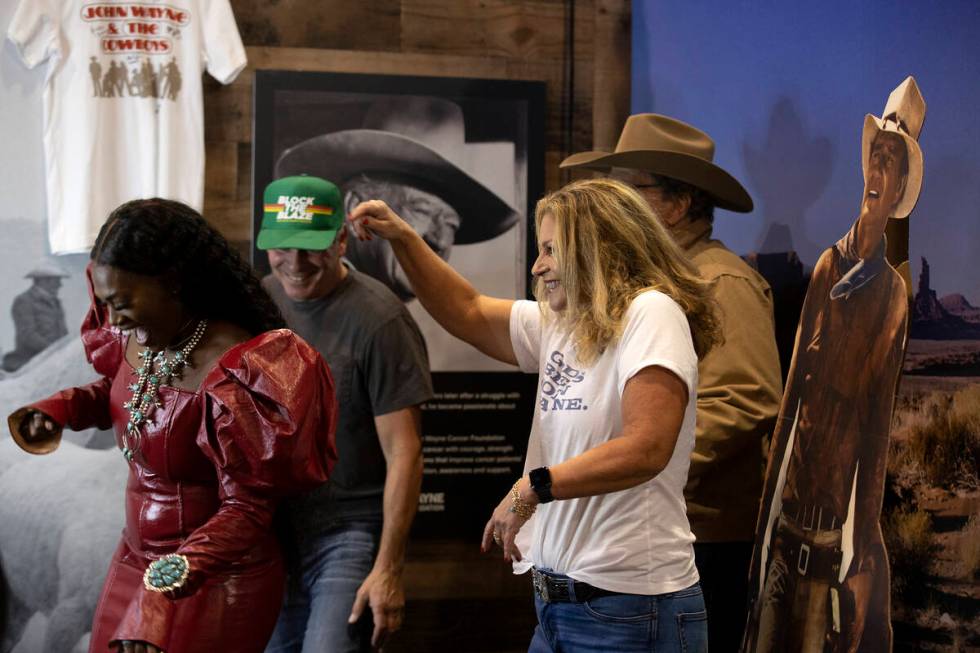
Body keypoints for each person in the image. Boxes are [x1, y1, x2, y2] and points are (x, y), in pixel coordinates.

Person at [349, 178, 720, 652]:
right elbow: (466, 310)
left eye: (550, 249)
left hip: (629, 609)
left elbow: (646, 448)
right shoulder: (563, 324)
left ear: (595, 248)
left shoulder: (651, 312)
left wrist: (532, 487)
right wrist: (404, 238)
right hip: (557, 604)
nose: (537, 266)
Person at [6, 198, 338, 653]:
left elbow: (247, 509)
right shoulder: (143, 335)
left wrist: (163, 591)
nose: (113, 320)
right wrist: (62, 408)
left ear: (175, 284)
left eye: (122, 304)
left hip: (215, 578)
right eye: (106, 303)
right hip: (134, 560)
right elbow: (121, 394)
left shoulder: (244, 369)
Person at [561, 113, 783, 649]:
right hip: (654, 530)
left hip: (700, 536)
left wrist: (648, 459)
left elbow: (748, 396)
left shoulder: (721, 282)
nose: (615, 204)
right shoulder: (660, 282)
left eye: (628, 191)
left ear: (677, 205)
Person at [745, 77, 925, 652]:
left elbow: (875, 440)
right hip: (783, 542)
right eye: (875, 159)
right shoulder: (827, 266)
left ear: (899, 189)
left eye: (891, 165)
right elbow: (791, 399)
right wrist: (760, 536)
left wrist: (862, 560)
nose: (878, 175)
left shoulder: (891, 296)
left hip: (829, 550)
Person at [256, 175, 433, 653]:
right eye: (283, 248)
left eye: (311, 248)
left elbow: (405, 454)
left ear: (341, 239)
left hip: (348, 530)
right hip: (272, 531)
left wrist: (388, 568)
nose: (295, 264)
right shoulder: (260, 304)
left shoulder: (380, 319)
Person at [274, 96, 521, 302]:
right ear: (356, 208)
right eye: (423, 210)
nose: (443, 239)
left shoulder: (374, 313)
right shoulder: (304, 298)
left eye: (450, 224)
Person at [2, 262, 70, 372]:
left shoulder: (56, 302)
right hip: (33, 362)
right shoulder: (24, 301)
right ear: (44, 281)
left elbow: (62, 331)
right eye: (56, 280)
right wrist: (53, 351)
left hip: (55, 360)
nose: (60, 285)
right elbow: (27, 335)